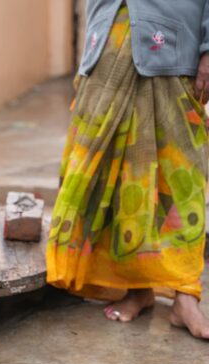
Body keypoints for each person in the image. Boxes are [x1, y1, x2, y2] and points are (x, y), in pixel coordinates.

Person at [47, 0, 209, 339]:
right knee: (122, 172)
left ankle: (185, 294)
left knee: (180, 176)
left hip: (174, 38)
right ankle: (137, 286)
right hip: (109, 33)